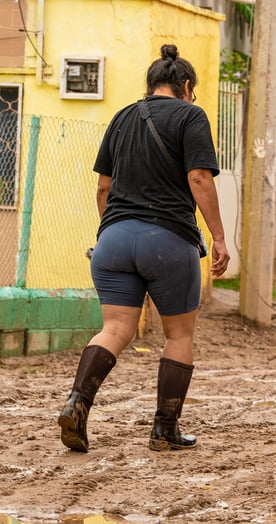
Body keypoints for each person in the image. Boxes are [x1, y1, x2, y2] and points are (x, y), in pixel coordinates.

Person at [58, 44, 229, 453]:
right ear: (186, 86)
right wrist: (219, 236)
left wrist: (113, 231)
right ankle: (164, 430)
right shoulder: (191, 116)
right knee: (179, 333)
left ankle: (76, 402)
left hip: (113, 240)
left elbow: (103, 187)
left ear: (150, 86)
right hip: (168, 240)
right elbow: (200, 180)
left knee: (115, 329)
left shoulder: (121, 117)